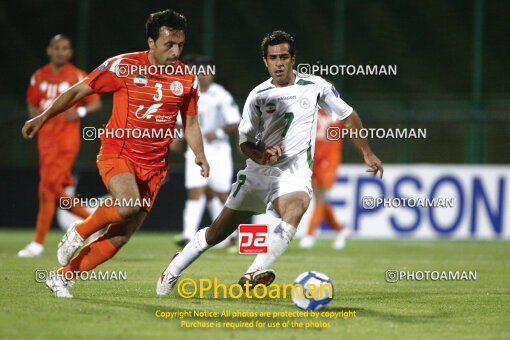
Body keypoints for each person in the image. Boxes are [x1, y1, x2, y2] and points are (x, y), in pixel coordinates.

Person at [156, 30, 383, 296]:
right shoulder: (258, 96)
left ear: (293, 59)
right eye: (273, 57)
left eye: (283, 57)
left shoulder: (315, 86)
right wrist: (262, 155)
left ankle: (252, 273)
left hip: (294, 173)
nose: (278, 63)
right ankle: (173, 268)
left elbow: (348, 114)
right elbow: (244, 142)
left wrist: (367, 153)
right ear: (265, 61)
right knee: (217, 232)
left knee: (296, 208)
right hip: (258, 173)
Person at [21, 9, 209, 298]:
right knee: (127, 203)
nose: (175, 51)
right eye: (168, 44)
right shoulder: (123, 66)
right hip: (118, 152)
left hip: (155, 167)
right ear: (150, 42)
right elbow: (76, 92)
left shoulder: (187, 78)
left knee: (120, 236)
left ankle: (62, 277)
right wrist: (42, 117)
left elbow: (191, 123)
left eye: (180, 45)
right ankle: (79, 231)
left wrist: (200, 154)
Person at [18, 35, 102, 258]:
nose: (60, 52)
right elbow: (32, 102)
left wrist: (80, 112)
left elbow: (95, 103)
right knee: (53, 191)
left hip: (66, 142)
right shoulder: (39, 76)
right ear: (49, 50)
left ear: (70, 52)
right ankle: (93, 222)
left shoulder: (77, 75)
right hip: (45, 142)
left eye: (64, 48)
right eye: (56, 48)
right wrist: (34, 117)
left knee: (46, 188)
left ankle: (37, 243)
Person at [174, 55, 241, 248]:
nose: (203, 76)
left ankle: (232, 236)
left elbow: (234, 122)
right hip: (195, 150)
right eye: (199, 72)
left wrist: (218, 131)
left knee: (221, 194)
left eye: (207, 72)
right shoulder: (188, 93)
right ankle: (187, 236)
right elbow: (181, 122)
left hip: (218, 151)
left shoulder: (221, 95)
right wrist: (177, 139)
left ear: (213, 75)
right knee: (195, 191)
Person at [300, 107, 350, 250]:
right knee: (320, 199)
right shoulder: (310, 111)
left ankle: (309, 234)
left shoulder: (339, 113)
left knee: (320, 197)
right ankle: (341, 229)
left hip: (329, 161)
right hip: (312, 159)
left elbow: (352, 128)